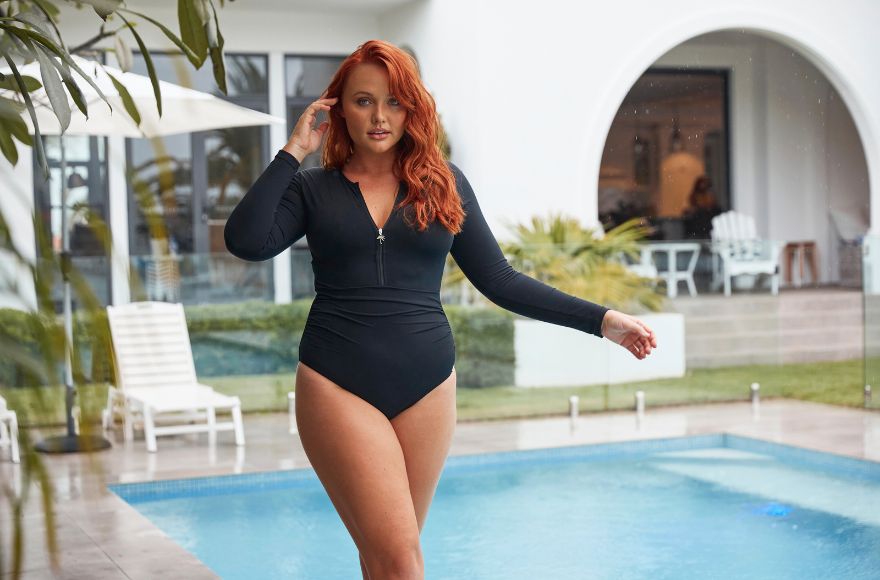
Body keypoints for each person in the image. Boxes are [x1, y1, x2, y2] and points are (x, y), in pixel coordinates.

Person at [224, 39, 658, 580]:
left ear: (413, 108)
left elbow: (499, 280)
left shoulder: (442, 184)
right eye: (363, 101)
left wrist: (603, 321)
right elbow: (246, 240)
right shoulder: (313, 188)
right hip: (337, 383)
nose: (380, 117)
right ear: (337, 109)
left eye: (394, 102)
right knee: (401, 559)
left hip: (428, 388)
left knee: (387, 558)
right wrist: (293, 152)